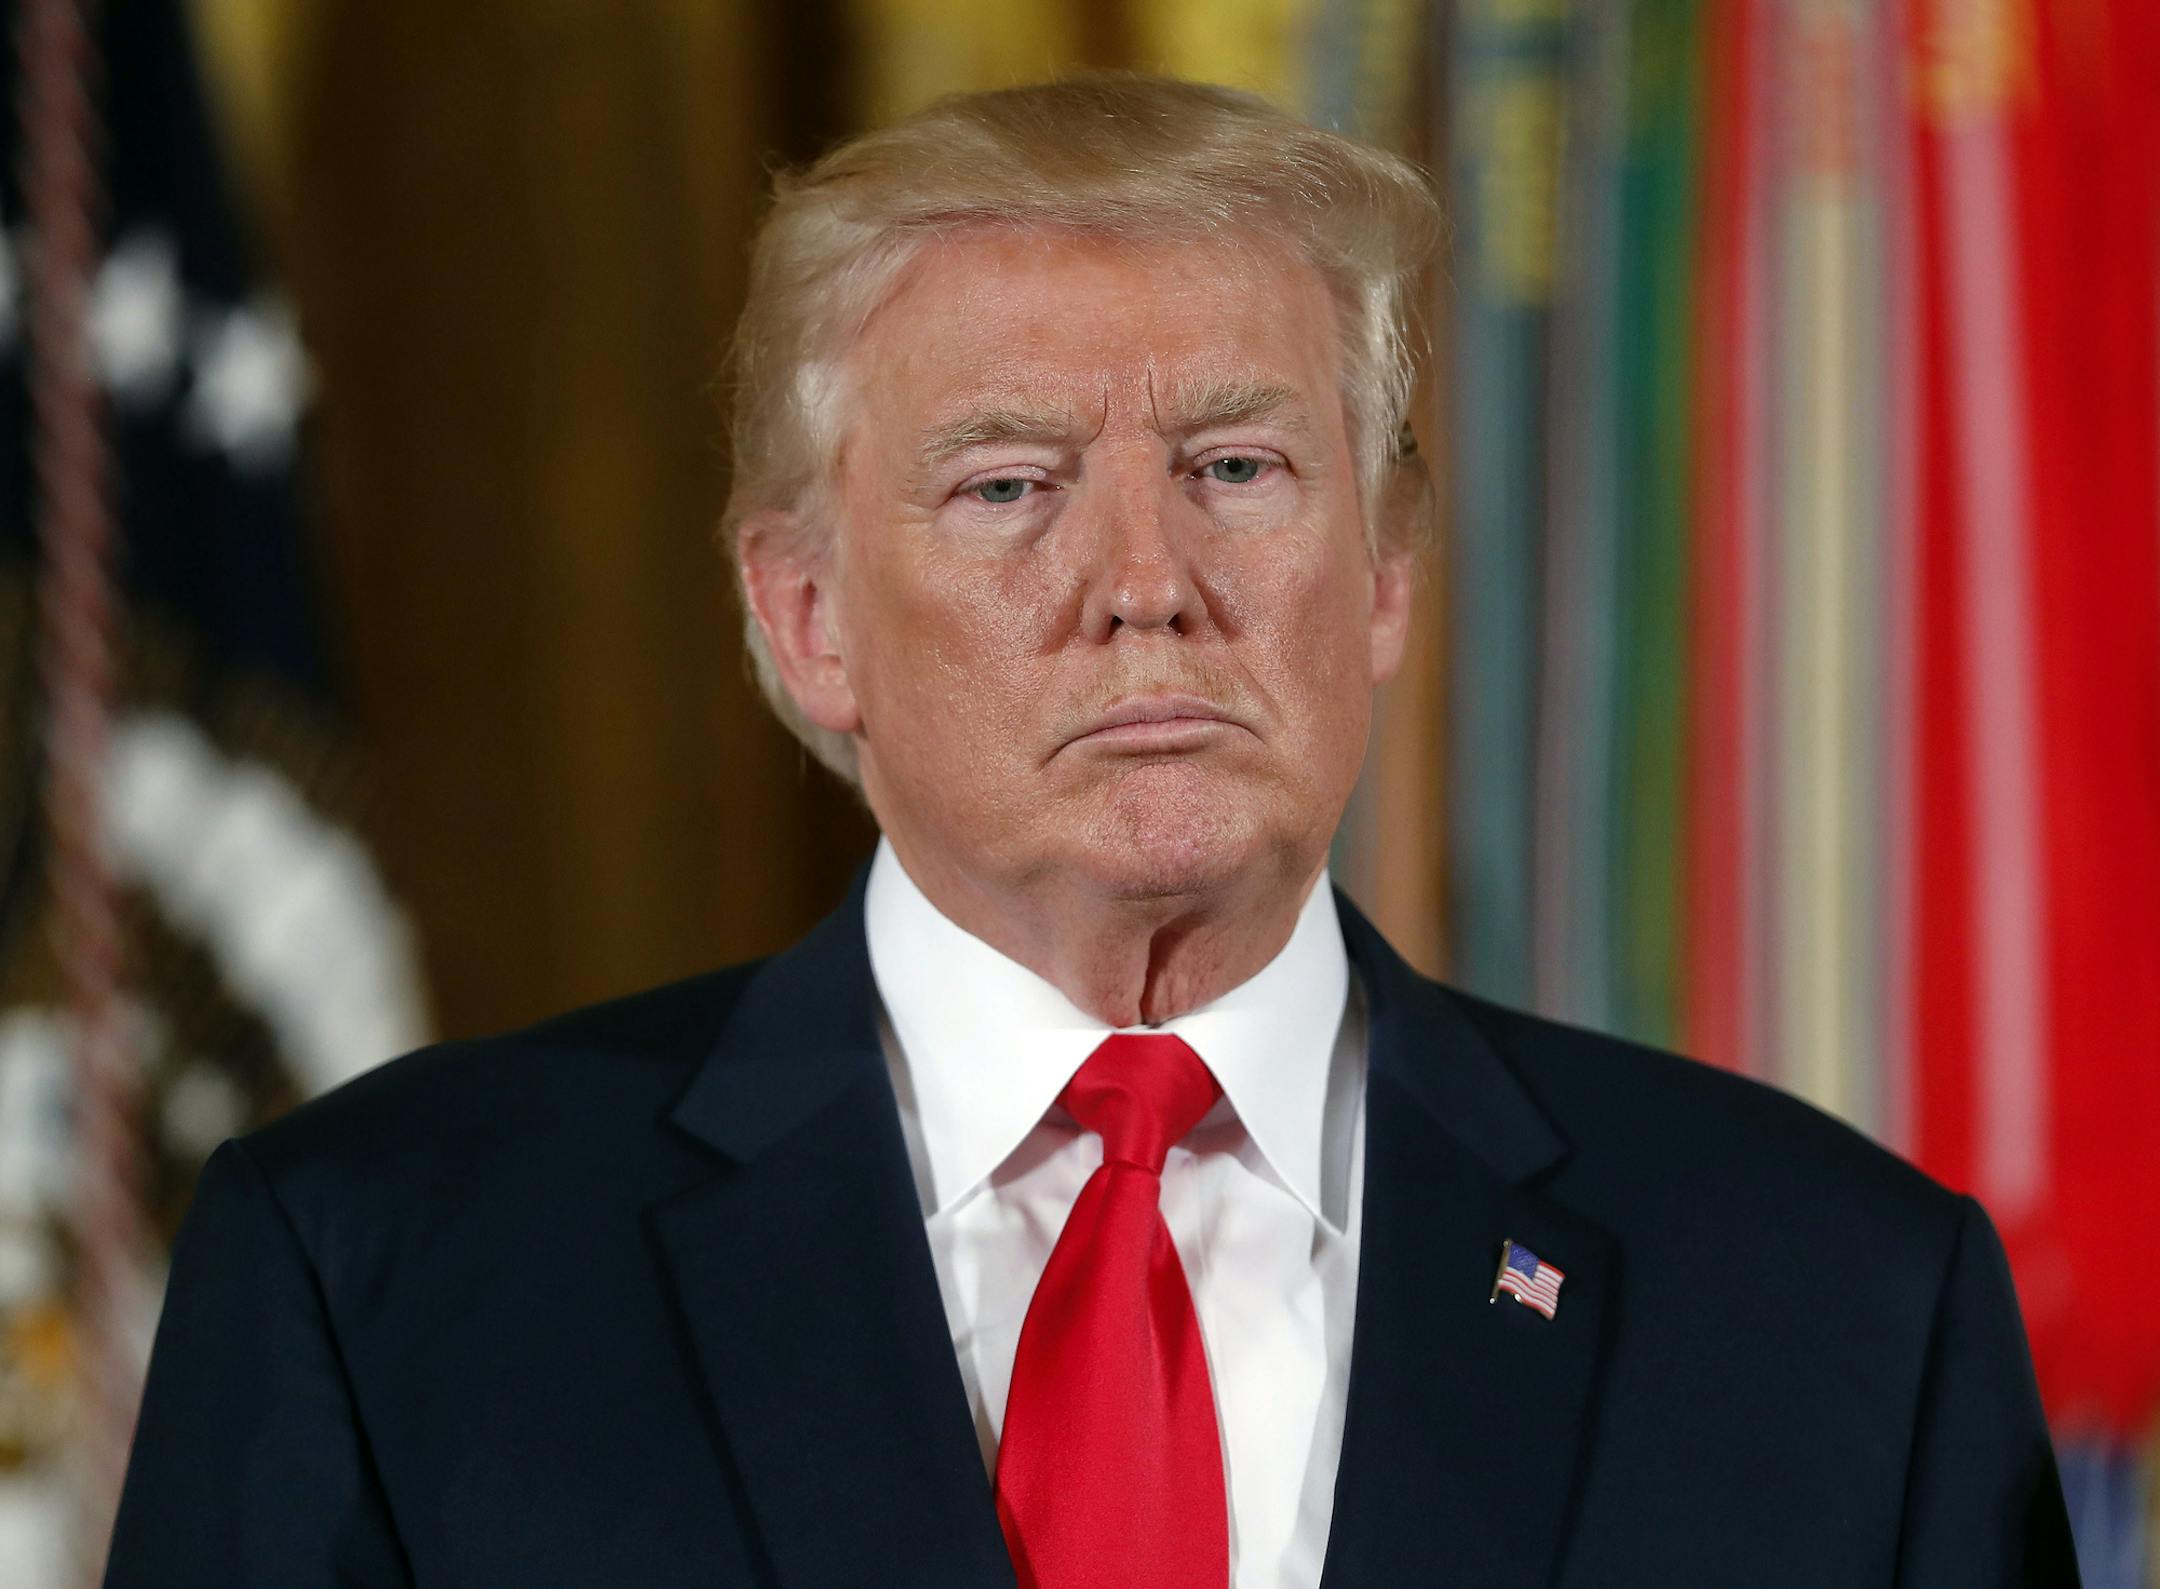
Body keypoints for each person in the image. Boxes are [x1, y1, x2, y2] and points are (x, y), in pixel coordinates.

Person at [104, 74, 2077, 1589]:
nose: (1148, 583)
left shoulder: (1837, 1309)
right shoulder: (382, 1279)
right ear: (807, 614)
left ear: (1386, 574)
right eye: (1010, 486)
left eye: (1238, 465)